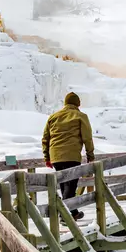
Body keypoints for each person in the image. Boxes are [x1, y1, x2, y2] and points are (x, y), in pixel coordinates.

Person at [42, 92, 95, 221]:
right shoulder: (81, 116)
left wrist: (47, 157)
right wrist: (90, 155)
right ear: (78, 104)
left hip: (56, 157)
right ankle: (64, 216)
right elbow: (87, 137)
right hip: (71, 156)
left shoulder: (53, 117)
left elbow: (45, 138)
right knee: (71, 186)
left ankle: (73, 212)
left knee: (64, 185)